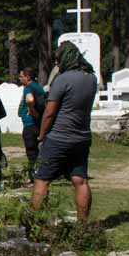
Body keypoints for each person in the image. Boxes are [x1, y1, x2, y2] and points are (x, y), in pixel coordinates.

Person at [32, 41, 98, 222]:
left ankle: (37, 224)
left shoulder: (63, 80)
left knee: (42, 179)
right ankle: (82, 225)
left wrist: (41, 135)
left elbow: (49, 113)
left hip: (59, 137)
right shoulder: (91, 79)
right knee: (80, 180)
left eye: (58, 60)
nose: (57, 64)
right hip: (82, 137)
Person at [18, 67, 46, 185]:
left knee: (31, 153)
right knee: (39, 152)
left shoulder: (28, 87)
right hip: (39, 124)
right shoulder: (39, 88)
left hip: (30, 124)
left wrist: (31, 109)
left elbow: (29, 100)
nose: (19, 79)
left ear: (27, 77)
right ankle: (42, 175)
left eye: (21, 76)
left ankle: (33, 178)